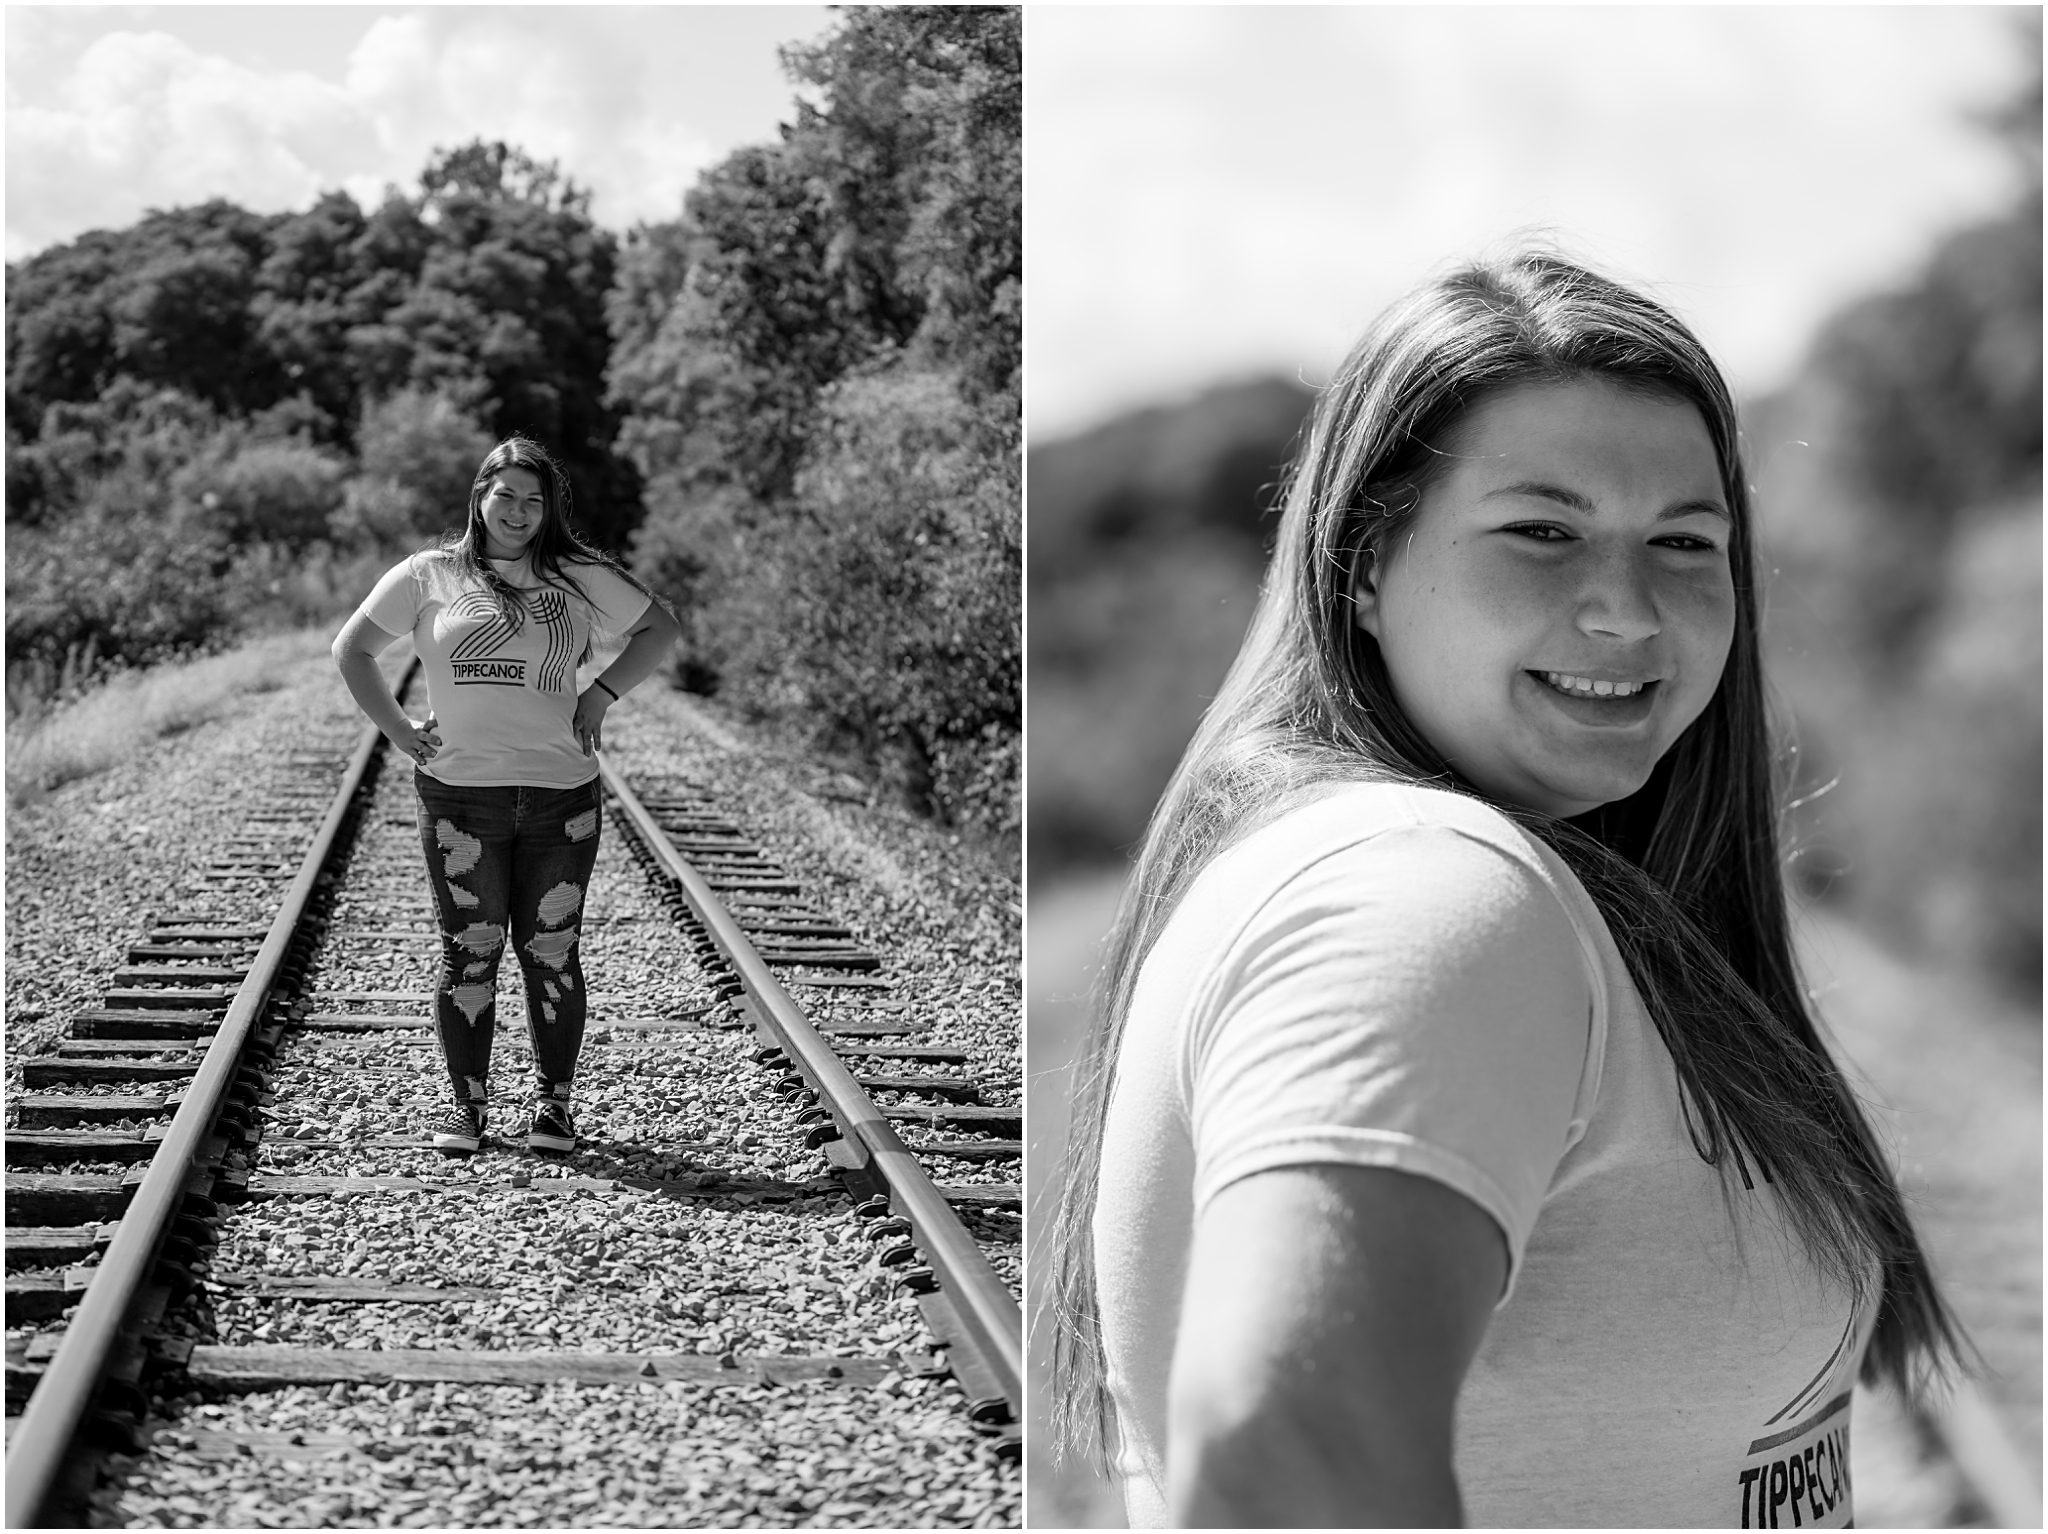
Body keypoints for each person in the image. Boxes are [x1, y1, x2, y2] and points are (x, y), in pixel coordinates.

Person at [1046, 252, 1964, 1527]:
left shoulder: (1478, 878)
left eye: (1683, 543)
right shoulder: (1427, 892)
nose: (1627, 610)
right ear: (1362, 564)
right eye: (1542, 530)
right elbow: (1287, 1459)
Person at [333, 436, 681, 1157]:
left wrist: (603, 693)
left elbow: (659, 626)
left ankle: (554, 1111)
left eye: (535, 498)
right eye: (507, 495)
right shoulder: (430, 574)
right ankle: (468, 1112)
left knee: (550, 950)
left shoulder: (577, 575)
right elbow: (353, 649)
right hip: (461, 799)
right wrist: (399, 730)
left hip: (563, 799)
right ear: (481, 498)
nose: (520, 511)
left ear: (550, 507)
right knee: (470, 951)